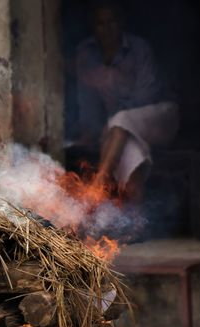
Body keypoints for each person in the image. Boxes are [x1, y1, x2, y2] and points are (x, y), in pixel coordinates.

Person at [76, 1, 178, 203]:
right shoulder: (86, 52)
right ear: (93, 27)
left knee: (121, 121)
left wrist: (113, 122)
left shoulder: (140, 49)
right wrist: (92, 130)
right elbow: (86, 97)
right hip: (120, 131)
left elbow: (147, 94)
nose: (107, 28)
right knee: (132, 150)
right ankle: (132, 219)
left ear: (121, 23)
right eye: (101, 23)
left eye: (112, 21)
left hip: (160, 117)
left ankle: (99, 184)